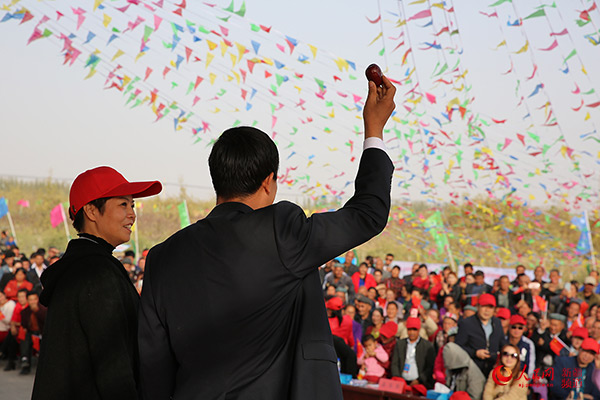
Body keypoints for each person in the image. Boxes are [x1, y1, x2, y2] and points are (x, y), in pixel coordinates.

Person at [137, 77, 396, 399]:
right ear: (268, 182)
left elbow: (152, 362)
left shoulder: (163, 256)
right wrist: (374, 128)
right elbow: (367, 213)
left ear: (218, 179)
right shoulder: (281, 231)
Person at [31, 166, 162, 399]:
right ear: (91, 211)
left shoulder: (81, 267)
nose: (132, 214)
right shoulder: (96, 273)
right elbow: (113, 367)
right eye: (123, 204)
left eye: (132, 205)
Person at [456, 293, 505, 377]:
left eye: (490, 307)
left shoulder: (497, 323)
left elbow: (502, 343)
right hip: (472, 369)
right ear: (477, 307)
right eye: (484, 306)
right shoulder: (466, 323)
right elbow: (458, 347)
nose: (487, 310)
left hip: (493, 369)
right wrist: (475, 353)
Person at [391, 317, 435, 389]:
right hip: (401, 382)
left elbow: (430, 367)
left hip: (420, 384)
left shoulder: (427, 346)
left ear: (419, 330)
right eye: (409, 330)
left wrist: (419, 380)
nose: (412, 333)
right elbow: (395, 363)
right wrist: (398, 379)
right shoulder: (400, 344)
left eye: (414, 330)